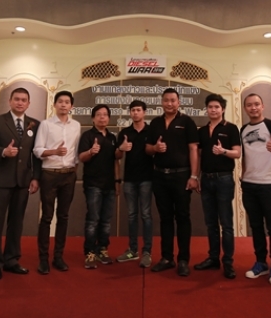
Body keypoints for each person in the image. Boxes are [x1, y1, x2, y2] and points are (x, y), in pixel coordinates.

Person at [0, 87, 41, 280]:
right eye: (17, 99)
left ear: (28, 103)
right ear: (10, 101)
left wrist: (35, 177)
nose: (20, 102)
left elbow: (36, 154)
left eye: (24, 100)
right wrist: (2, 152)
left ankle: (11, 260)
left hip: (23, 181)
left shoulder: (34, 124)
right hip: (1, 180)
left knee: (16, 223)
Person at [146, 88, 199, 277]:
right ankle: (167, 258)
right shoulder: (155, 123)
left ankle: (183, 260)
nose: (169, 103)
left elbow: (193, 149)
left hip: (181, 176)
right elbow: (147, 149)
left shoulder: (187, 122)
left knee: (183, 217)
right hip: (160, 176)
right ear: (161, 102)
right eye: (166, 100)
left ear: (179, 102)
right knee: (165, 218)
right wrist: (155, 148)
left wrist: (194, 176)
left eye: (173, 100)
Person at [240, 93, 271, 285]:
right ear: (245, 108)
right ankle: (261, 262)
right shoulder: (243, 129)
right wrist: (243, 177)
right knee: (256, 226)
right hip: (249, 184)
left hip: (270, 184)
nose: (253, 108)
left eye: (256, 104)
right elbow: (244, 156)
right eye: (249, 105)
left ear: (262, 106)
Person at [193, 94, 241, 279]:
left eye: (216, 107)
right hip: (206, 179)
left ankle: (228, 262)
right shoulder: (202, 131)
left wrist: (223, 151)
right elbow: (198, 156)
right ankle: (213, 258)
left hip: (224, 179)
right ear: (206, 109)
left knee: (226, 223)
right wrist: (196, 177)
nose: (213, 110)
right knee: (211, 223)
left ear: (223, 109)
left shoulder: (231, 128)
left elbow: (237, 153)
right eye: (210, 107)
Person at [33, 90, 80, 274]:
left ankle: (58, 257)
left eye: (67, 102)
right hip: (49, 174)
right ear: (54, 105)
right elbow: (37, 150)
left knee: (64, 216)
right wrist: (54, 152)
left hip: (68, 175)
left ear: (71, 106)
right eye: (60, 101)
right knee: (46, 217)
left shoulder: (76, 125)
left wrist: (73, 167)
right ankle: (43, 259)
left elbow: (75, 151)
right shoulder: (46, 124)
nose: (63, 105)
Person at [78, 104, 120, 269]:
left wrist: (117, 182)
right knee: (93, 220)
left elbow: (116, 161)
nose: (102, 117)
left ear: (109, 118)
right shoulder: (87, 135)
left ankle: (102, 249)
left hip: (109, 184)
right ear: (93, 118)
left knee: (106, 221)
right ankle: (89, 252)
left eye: (105, 115)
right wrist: (91, 151)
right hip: (93, 184)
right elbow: (81, 157)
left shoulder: (112, 137)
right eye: (99, 114)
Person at [115, 100, 154, 268]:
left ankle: (147, 252)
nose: (135, 113)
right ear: (130, 113)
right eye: (133, 110)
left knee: (146, 215)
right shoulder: (125, 132)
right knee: (131, 215)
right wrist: (121, 148)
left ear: (144, 112)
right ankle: (132, 250)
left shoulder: (151, 131)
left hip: (147, 179)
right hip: (129, 179)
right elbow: (117, 156)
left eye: (138, 110)